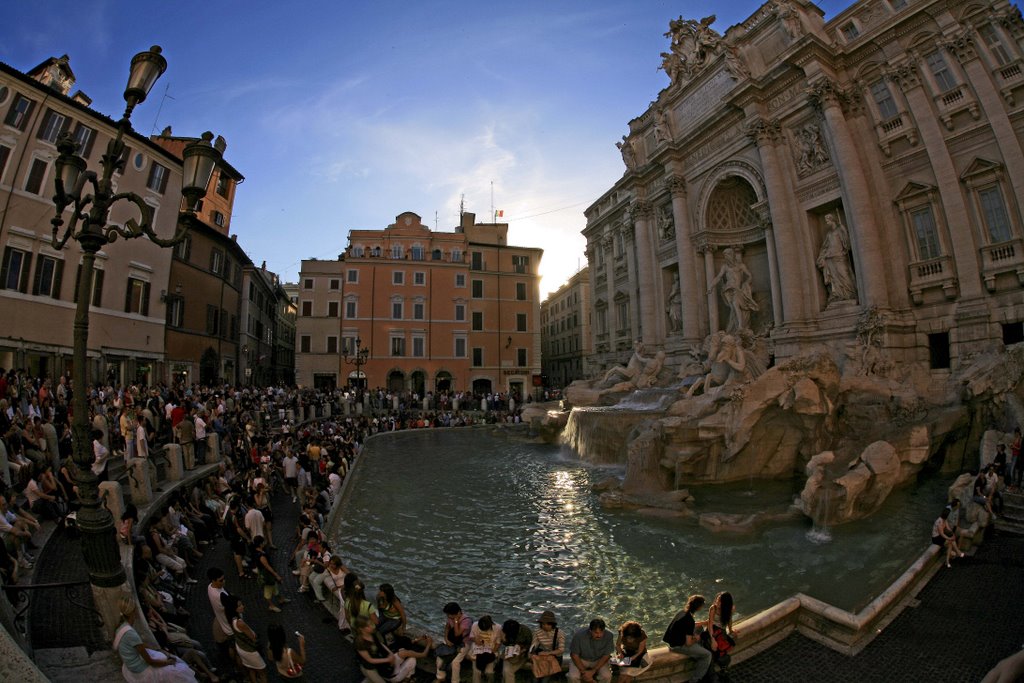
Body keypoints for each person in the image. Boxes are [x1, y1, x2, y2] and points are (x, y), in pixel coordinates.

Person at [114, 596, 199, 682]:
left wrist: (157, 650)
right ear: (133, 612)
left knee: (165, 657)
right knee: (180, 670)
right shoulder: (131, 633)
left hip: (132, 666)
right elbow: (150, 661)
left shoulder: (120, 627)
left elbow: (139, 645)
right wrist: (167, 663)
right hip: (141, 670)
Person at [663, 594, 712, 683]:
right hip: (677, 646)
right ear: (699, 607)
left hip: (672, 640)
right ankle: (695, 679)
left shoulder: (682, 612)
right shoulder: (689, 619)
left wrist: (703, 622)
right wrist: (697, 638)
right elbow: (688, 643)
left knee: (700, 628)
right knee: (708, 655)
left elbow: (689, 625)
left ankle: (697, 654)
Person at [709, 247, 758, 333]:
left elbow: (750, 275)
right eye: (725, 256)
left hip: (737, 289)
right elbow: (719, 277)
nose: (726, 258)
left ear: (732, 255)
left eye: (727, 255)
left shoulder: (740, 265)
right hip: (728, 289)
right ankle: (737, 326)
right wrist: (711, 286)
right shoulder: (725, 267)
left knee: (735, 305)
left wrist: (746, 283)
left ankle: (740, 326)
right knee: (733, 308)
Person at [354, 615, 416, 683]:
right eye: (368, 626)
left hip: (379, 664)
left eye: (371, 624)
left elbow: (380, 644)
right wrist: (387, 659)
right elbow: (370, 660)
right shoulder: (359, 642)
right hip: (370, 668)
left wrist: (390, 653)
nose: (372, 626)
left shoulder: (371, 634)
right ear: (361, 629)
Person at [223, 594, 267, 683]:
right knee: (262, 673)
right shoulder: (240, 623)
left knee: (251, 670)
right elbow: (253, 637)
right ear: (233, 608)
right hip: (249, 650)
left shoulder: (231, 618)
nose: (242, 606)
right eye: (239, 605)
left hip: (241, 647)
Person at [816, 213, 857, 303]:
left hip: (840, 256)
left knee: (844, 274)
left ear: (833, 219)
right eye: (826, 220)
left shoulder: (840, 229)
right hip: (830, 257)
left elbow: (846, 241)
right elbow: (825, 246)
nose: (826, 221)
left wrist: (844, 251)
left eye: (828, 219)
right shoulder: (829, 234)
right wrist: (823, 256)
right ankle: (838, 294)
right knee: (834, 278)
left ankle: (849, 294)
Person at [568, 618, 614, 683]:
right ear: (590, 631)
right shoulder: (579, 636)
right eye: (596, 633)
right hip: (581, 659)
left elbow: (606, 655)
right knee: (573, 677)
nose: (599, 635)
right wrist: (584, 672)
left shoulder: (609, 636)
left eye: (601, 632)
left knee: (607, 676)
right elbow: (574, 655)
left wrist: (593, 671)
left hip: (599, 659)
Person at [435, 601, 472, 682]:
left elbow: (457, 634)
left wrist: (455, 621)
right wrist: (446, 639)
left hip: (463, 643)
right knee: (440, 657)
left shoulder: (466, 620)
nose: (448, 616)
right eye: (447, 614)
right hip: (452, 641)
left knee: (455, 663)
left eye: (450, 614)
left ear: (457, 612)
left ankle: (455, 681)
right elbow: (447, 627)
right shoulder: (450, 617)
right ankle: (440, 677)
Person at [702, 592, 736, 673]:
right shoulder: (713, 608)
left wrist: (731, 630)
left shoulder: (730, 608)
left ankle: (722, 665)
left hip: (721, 631)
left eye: (720, 601)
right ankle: (714, 666)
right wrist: (712, 639)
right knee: (714, 646)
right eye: (717, 600)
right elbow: (710, 624)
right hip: (712, 630)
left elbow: (729, 621)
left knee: (727, 644)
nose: (717, 602)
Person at [253, 535, 289, 612]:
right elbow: (267, 566)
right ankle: (271, 605)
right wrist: (276, 575)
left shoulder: (257, 552)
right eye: (263, 542)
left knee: (274, 587)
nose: (265, 543)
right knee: (268, 591)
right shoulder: (261, 555)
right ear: (260, 544)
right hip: (267, 575)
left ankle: (281, 599)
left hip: (266, 574)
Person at [530, 610, 566, 683]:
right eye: (543, 624)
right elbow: (534, 644)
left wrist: (548, 653)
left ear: (552, 624)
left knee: (545, 679)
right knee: (535, 678)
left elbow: (561, 650)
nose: (545, 626)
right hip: (542, 655)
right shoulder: (537, 631)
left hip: (555, 656)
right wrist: (531, 653)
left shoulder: (560, 633)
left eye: (548, 624)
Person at [468, 615, 502, 683]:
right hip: (477, 649)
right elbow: (471, 637)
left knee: (489, 672)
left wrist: (493, 652)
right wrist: (476, 640)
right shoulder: (475, 625)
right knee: (477, 671)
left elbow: (498, 643)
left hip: (491, 650)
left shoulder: (498, 627)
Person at [499, 619, 533, 683]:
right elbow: (507, 643)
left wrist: (522, 650)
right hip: (510, 652)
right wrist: (503, 639)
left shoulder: (525, 631)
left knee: (507, 671)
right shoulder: (506, 631)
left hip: (522, 654)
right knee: (506, 671)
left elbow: (530, 645)